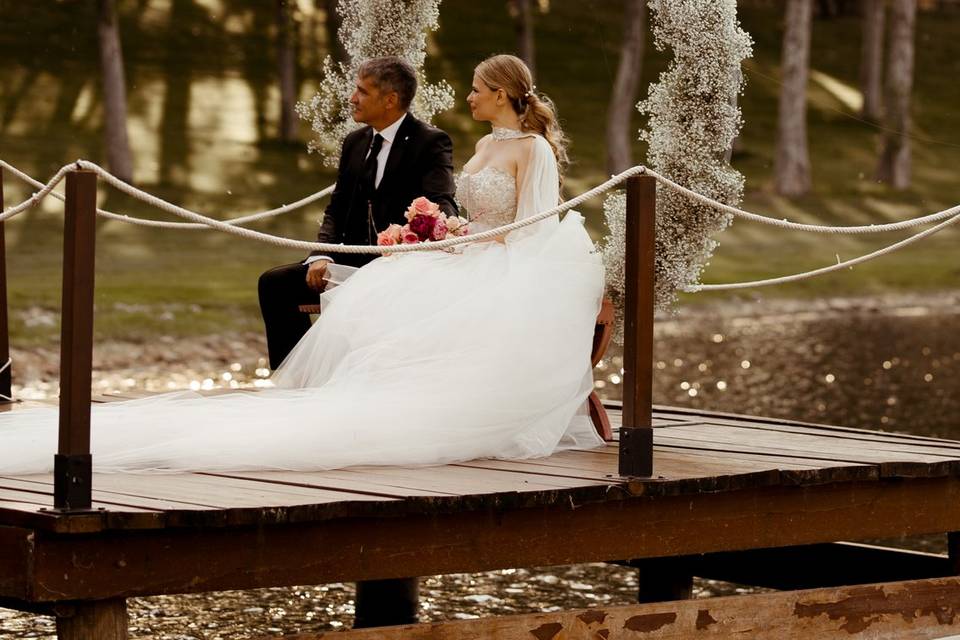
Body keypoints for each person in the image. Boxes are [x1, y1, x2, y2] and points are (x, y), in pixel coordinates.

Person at [0, 53, 603, 495]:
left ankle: (366, 398)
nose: (468, 97)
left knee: (392, 295)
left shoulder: (528, 150)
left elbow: (529, 226)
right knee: (320, 286)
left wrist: (450, 241)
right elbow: (375, 208)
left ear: (501, 92)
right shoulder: (478, 149)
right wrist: (438, 238)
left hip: (507, 262)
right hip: (460, 251)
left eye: (476, 89)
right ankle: (309, 391)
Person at [258, 56, 457, 370]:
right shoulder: (354, 142)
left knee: (370, 298)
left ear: (390, 100)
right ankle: (295, 384)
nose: (353, 98)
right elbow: (336, 208)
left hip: (398, 267)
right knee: (274, 284)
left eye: (363, 91)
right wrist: (321, 255)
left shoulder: (429, 142)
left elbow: (442, 205)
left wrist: (403, 238)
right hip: (348, 260)